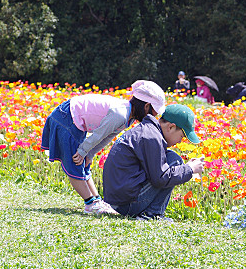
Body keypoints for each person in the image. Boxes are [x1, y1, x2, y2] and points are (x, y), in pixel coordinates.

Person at [41, 80, 166, 215]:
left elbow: (106, 137)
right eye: (153, 113)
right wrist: (83, 151)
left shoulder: (128, 117)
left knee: (83, 163)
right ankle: (90, 203)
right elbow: (99, 134)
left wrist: (90, 154)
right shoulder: (121, 114)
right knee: (74, 163)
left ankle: (97, 201)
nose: (154, 117)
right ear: (146, 106)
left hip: (73, 117)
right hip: (66, 116)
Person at [102, 104, 204, 219]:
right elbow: (161, 178)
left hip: (120, 199)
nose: (180, 141)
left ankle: (151, 213)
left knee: (171, 157)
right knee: (175, 161)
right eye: (182, 136)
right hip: (127, 204)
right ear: (170, 127)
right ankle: (152, 214)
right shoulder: (152, 137)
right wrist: (190, 168)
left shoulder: (148, 130)